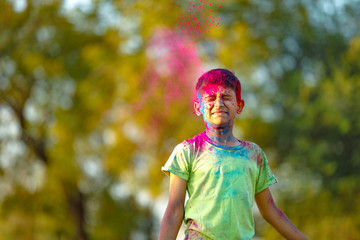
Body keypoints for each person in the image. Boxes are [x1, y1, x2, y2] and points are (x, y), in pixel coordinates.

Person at [158, 69, 308, 240]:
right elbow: (174, 210)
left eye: (226, 97)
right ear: (198, 107)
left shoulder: (253, 154)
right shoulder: (188, 151)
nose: (219, 103)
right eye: (211, 98)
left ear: (239, 106)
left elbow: (271, 211)